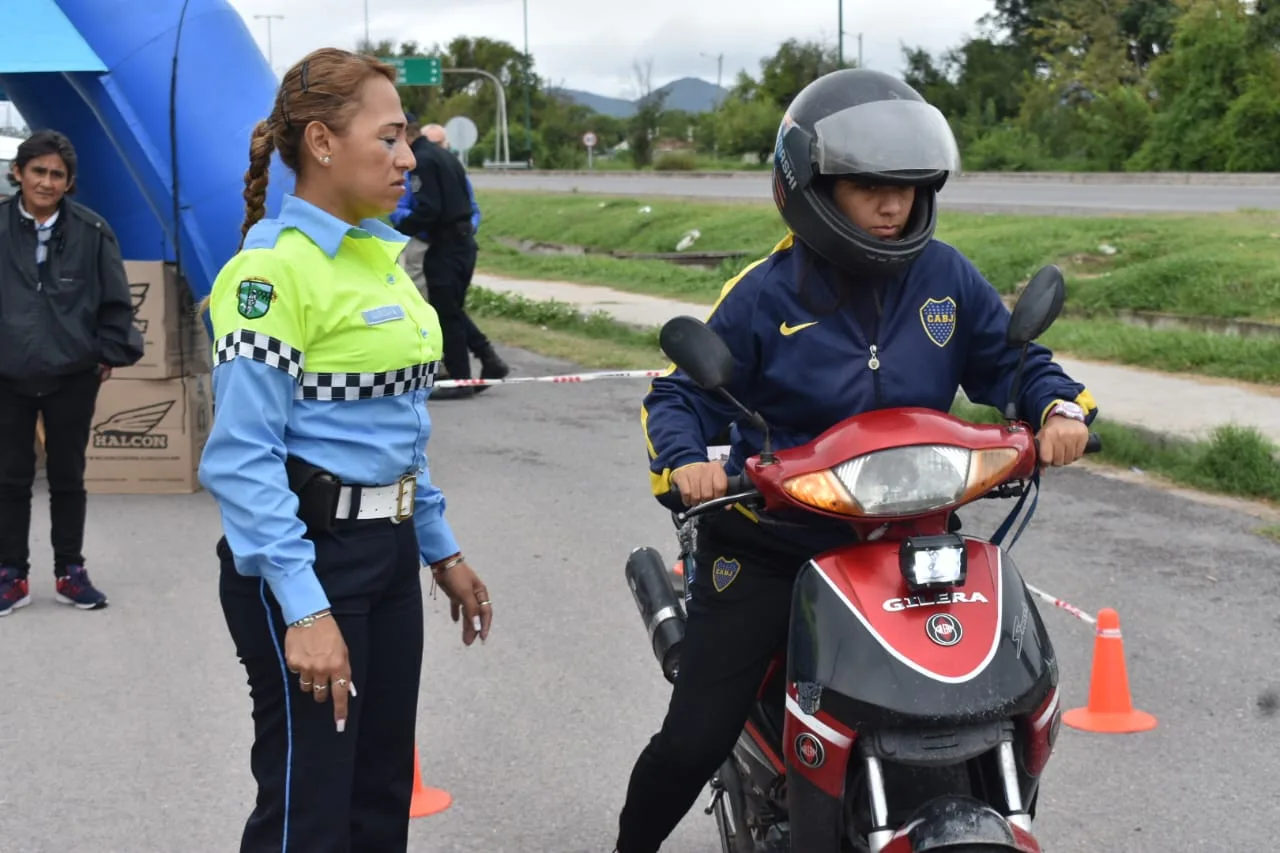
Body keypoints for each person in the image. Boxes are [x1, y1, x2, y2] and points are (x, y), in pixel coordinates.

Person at [615, 68, 1098, 853]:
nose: (893, 205)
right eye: (868, 185)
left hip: (915, 542)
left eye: (908, 186)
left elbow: (1012, 360)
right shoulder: (764, 295)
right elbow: (677, 399)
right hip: (775, 542)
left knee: (1004, 688)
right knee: (695, 734)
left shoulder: (946, 277)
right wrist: (686, 464)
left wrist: (1058, 408)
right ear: (809, 188)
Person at [195, 47, 494, 853]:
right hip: (309, 554)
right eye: (390, 139)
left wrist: (439, 547)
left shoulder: (379, 260)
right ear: (322, 143)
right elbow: (243, 459)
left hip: (389, 552)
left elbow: (396, 429)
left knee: (379, 795)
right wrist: (306, 605)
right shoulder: (270, 275)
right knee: (309, 806)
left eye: (406, 141)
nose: (408, 160)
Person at [0, 129, 144, 616]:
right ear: (17, 173)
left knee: (68, 477)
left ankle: (70, 572)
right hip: (7, 375)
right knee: (10, 479)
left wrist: (106, 354)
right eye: (37, 171)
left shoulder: (92, 231)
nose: (46, 182)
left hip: (72, 375)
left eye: (56, 174)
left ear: (69, 182)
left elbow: (116, 302)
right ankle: (11, 576)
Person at [394, 119, 507, 399]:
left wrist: (397, 233)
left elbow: (429, 208)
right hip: (464, 244)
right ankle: (488, 358)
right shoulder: (445, 156)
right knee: (451, 308)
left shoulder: (421, 161)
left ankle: (459, 379)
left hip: (444, 245)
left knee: (447, 313)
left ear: (405, 135)